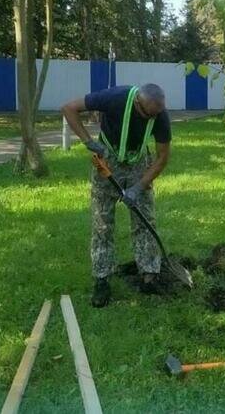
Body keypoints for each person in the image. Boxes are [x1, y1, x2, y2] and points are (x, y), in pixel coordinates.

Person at [61, 83, 171, 307]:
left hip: (139, 163)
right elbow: (69, 108)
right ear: (138, 102)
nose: (154, 117)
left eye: (157, 113)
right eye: (149, 113)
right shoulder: (114, 97)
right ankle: (102, 280)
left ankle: (149, 276)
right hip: (106, 159)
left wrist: (139, 187)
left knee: (144, 220)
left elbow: (162, 157)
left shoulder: (159, 115)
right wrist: (88, 141)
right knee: (103, 223)